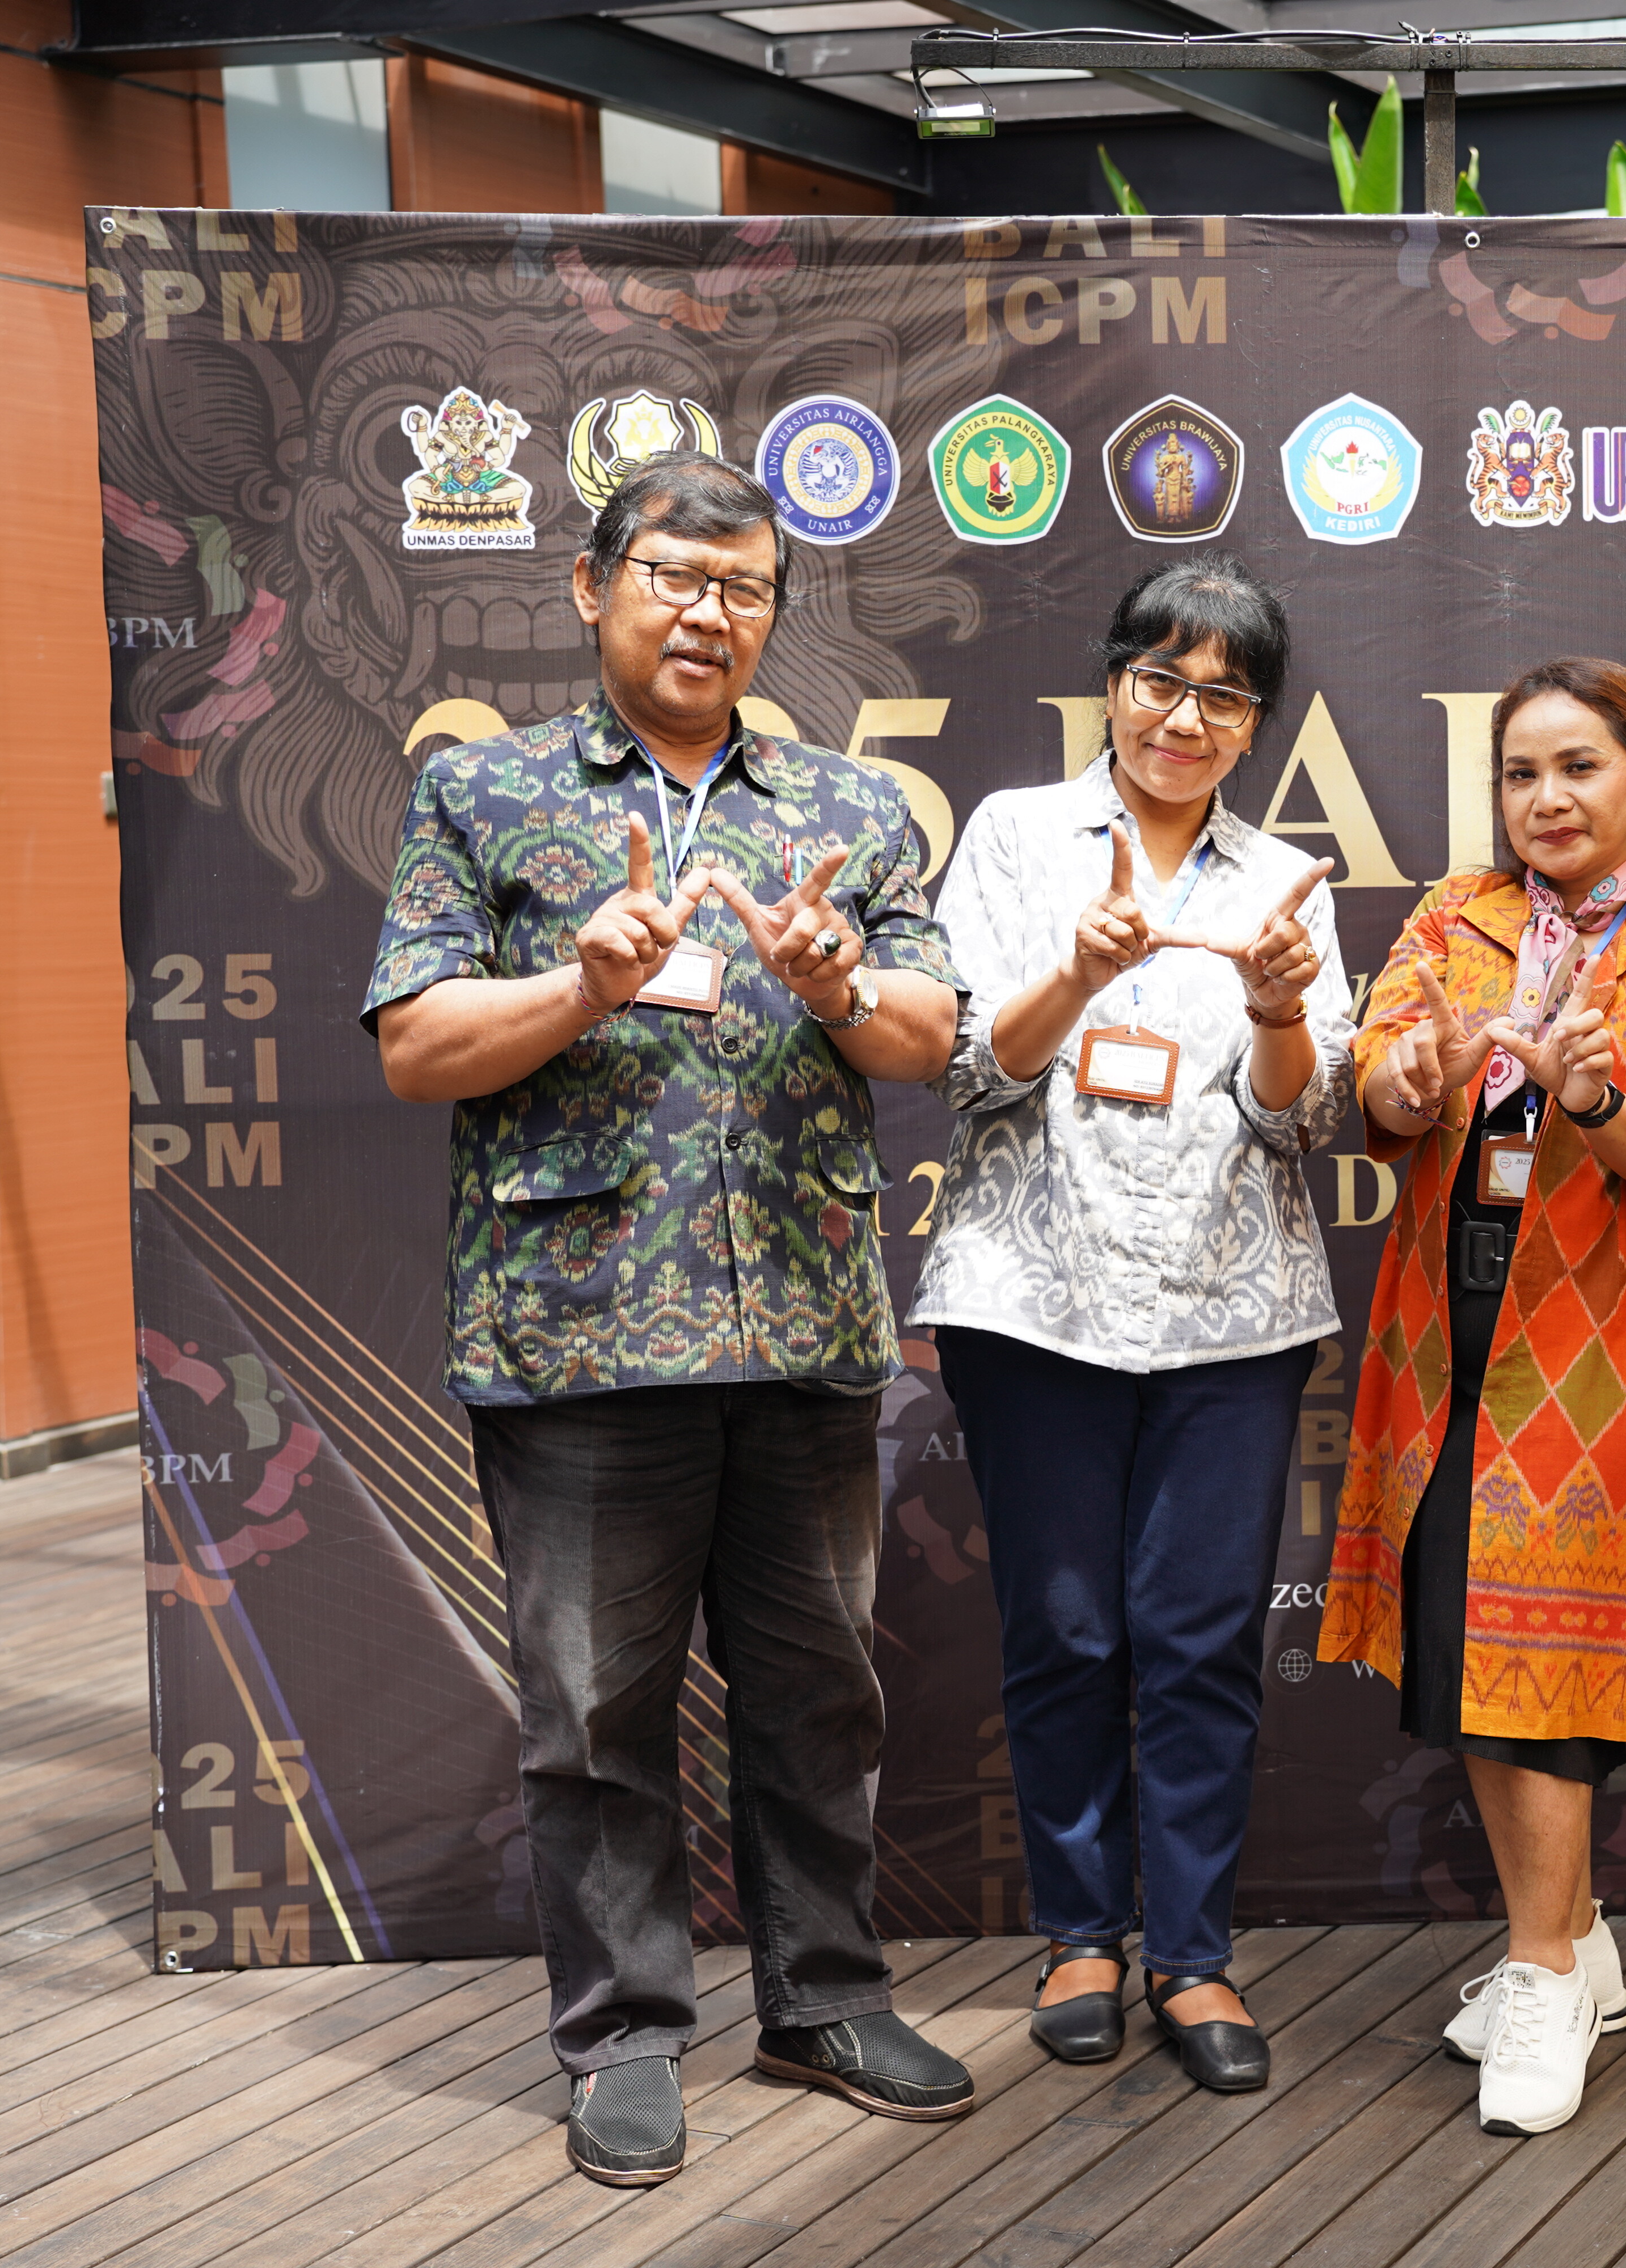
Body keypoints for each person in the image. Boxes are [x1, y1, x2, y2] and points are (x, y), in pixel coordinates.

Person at [364, 452, 975, 2187]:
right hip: (579, 1339)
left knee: (820, 1696)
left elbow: (930, 1037)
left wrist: (839, 984)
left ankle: (826, 2000)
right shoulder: (487, 793)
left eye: (746, 587)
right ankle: (625, 2037)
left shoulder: (849, 807)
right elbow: (414, 1045)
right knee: (594, 1712)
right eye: (676, 578)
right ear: (592, 586)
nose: (712, 613)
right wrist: (583, 983)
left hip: (803, 1321)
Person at [913, 556, 1352, 2094]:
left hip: (1231, 1312)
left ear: (1255, 725)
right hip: (1032, 1301)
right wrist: (1077, 970)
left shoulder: (1284, 881)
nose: (1185, 716)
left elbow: (1301, 1124)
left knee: (1202, 1640)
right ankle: (1083, 1937)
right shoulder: (1015, 837)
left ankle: (1196, 1954)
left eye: (1223, 696)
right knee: (1066, 1630)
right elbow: (970, 1065)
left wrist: (1285, 1013)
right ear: (1112, 683)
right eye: (1161, 679)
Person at [1320, 657, 1626, 2138]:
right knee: (1469, 1647)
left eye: (1580, 767)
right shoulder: (1454, 916)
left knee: (1547, 1665)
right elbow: (1379, 1084)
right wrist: (1417, 1073)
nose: (1548, 797)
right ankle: (1578, 1946)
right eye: (1523, 773)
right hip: (1442, 1332)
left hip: (1598, 1353)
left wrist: (1589, 1097)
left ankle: (1542, 1970)